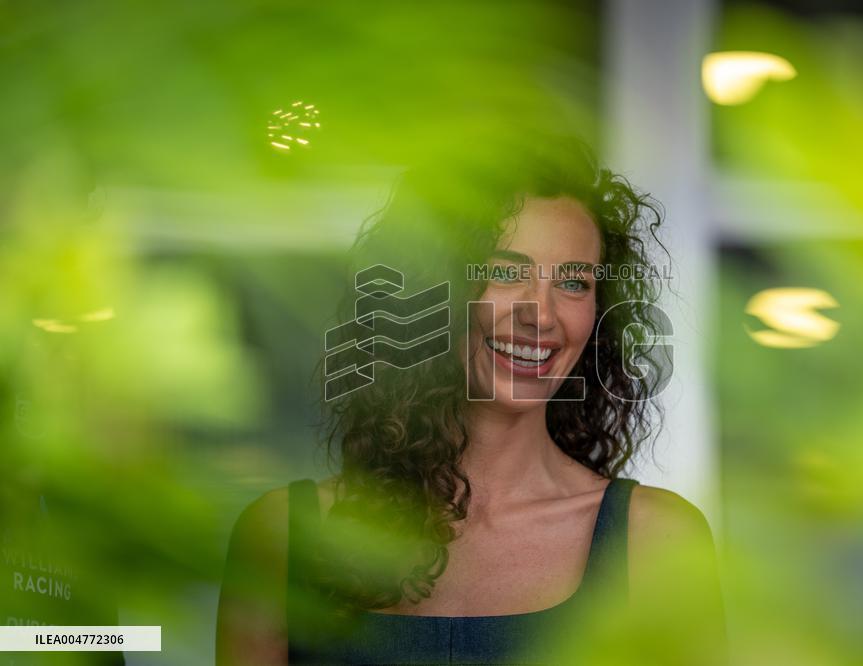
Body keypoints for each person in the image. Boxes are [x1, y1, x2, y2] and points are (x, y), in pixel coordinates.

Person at [216, 134, 725, 665]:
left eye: (573, 283)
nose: (541, 315)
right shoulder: (283, 536)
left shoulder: (657, 540)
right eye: (504, 273)